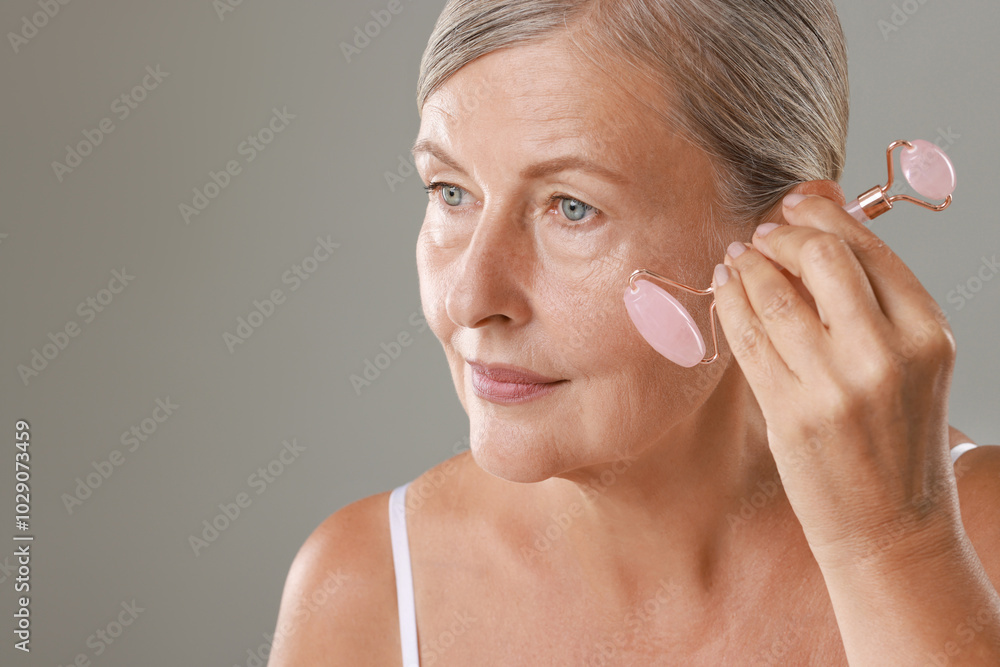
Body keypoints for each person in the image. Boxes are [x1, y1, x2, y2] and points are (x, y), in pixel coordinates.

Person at [269, 1, 1000, 664]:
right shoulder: (361, 593)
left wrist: (895, 547)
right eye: (450, 192)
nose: (470, 297)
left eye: (572, 208)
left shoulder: (981, 545)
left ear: (782, 235)